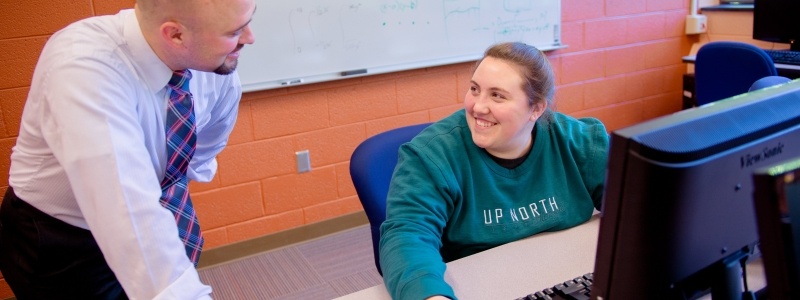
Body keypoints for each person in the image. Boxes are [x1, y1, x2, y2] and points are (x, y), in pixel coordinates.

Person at [0, 0, 255, 298]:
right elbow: (123, 202)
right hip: (62, 238)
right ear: (175, 35)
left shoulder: (214, 69)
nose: (250, 38)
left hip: (149, 213)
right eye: (235, 31)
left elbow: (205, 144)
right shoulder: (84, 63)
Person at [379, 42, 610, 300]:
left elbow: (636, 213)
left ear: (536, 108)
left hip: (565, 274)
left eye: (497, 95)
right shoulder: (431, 156)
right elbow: (408, 235)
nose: (478, 107)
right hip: (479, 286)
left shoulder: (581, 142)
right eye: (474, 89)